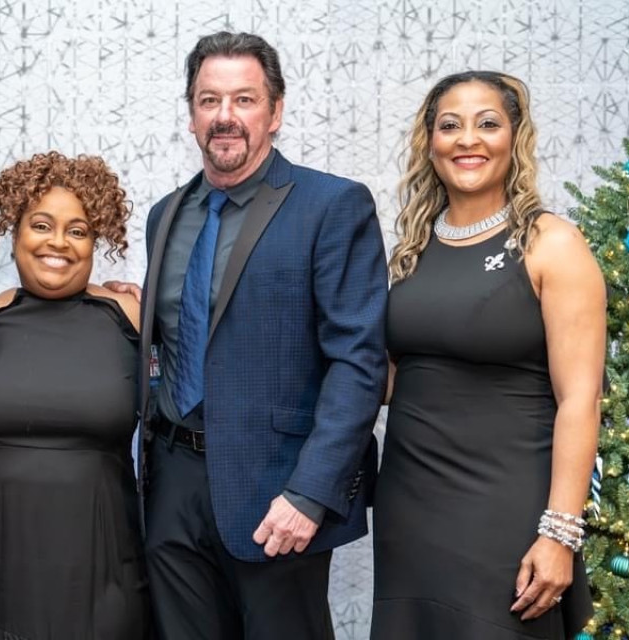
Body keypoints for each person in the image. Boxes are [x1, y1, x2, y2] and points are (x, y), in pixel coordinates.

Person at [138, 31, 388, 638]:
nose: (225, 117)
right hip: (172, 485)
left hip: (277, 491)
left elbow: (358, 363)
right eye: (209, 100)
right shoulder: (165, 214)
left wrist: (310, 493)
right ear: (192, 114)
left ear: (275, 111)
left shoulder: (333, 206)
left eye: (244, 99)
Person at [372, 70, 603, 639]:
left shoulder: (551, 244)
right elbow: (394, 379)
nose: (467, 139)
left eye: (487, 124)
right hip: (410, 506)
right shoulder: (412, 249)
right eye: (450, 125)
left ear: (515, 137)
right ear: (430, 144)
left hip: (506, 510)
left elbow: (581, 399)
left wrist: (559, 533)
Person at [0, 151, 149, 639]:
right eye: (41, 225)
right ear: (14, 232)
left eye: (78, 231)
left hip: (103, 571)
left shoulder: (131, 318)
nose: (58, 242)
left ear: (95, 241)